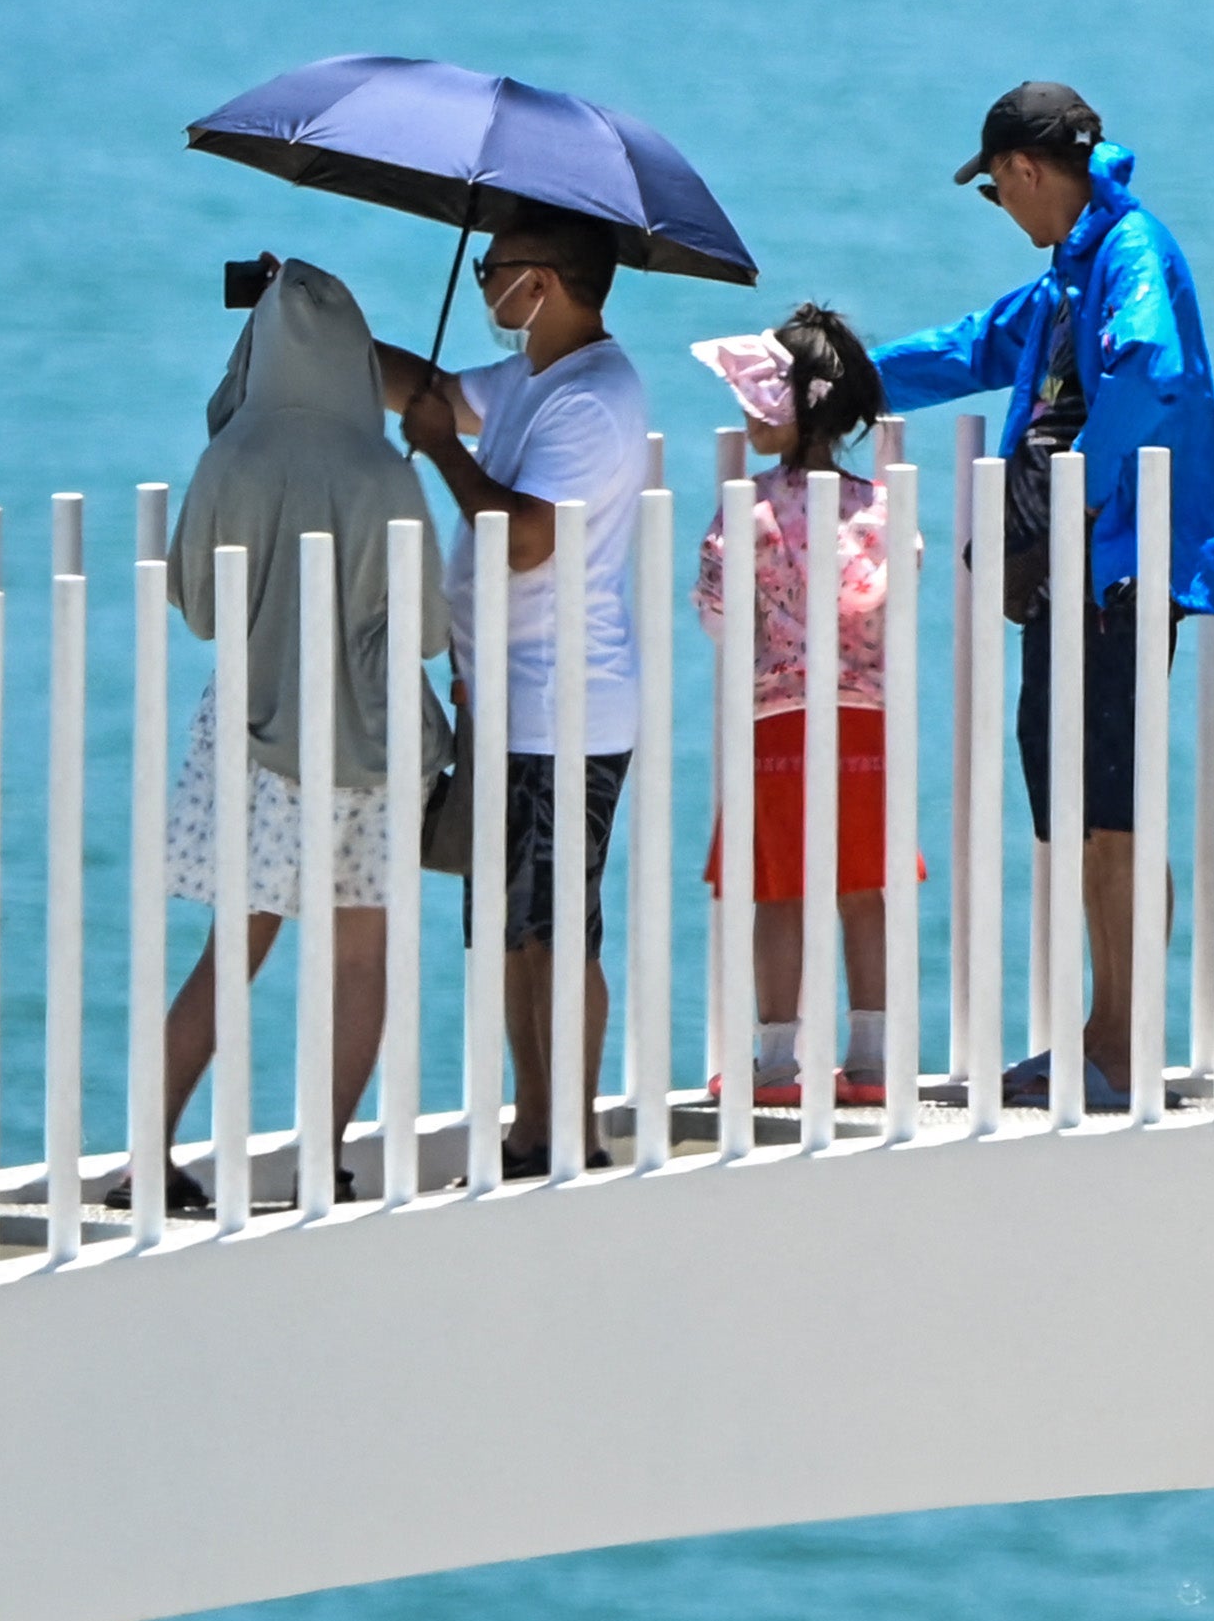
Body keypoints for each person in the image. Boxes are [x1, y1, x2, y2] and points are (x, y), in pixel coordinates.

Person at [868, 81, 1214, 1114]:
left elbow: (1151, 369)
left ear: (1022, 170)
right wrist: (843, 375)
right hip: (1085, 563)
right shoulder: (1074, 270)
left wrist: (1079, 494)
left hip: (1118, 563)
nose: (1003, 207)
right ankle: (1101, 1034)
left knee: (1110, 808)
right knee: (1073, 801)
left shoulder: (1130, 252)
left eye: (995, 190)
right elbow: (975, 346)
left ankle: (1121, 1039)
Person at [370, 207, 661, 1180]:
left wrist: (444, 452)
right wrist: (328, 327)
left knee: (554, 924)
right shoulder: (539, 376)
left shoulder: (593, 396)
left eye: (498, 268)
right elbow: (440, 392)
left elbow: (528, 536)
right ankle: (531, 1125)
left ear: (542, 282)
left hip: (564, 707)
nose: (487, 280)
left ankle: (562, 1127)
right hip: (508, 704)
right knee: (508, 925)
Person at [150, 255, 423, 1203]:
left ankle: (152, 1150)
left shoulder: (230, 458)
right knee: (360, 954)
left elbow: (199, 609)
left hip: (259, 730)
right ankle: (324, 1158)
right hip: (369, 739)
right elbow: (423, 628)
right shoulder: (381, 467)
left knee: (234, 950)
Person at [685, 306, 895, 1118]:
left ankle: (776, 1062)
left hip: (778, 716)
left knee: (777, 888)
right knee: (861, 885)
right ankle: (870, 1058)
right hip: (865, 717)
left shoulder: (754, 509)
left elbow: (716, 613)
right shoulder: (880, 507)